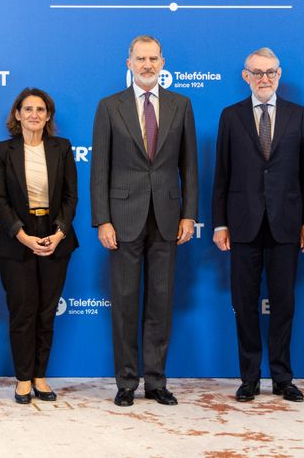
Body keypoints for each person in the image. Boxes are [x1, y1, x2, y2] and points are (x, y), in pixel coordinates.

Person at [90, 35, 198, 407]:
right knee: (123, 303)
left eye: (153, 58)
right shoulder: (109, 106)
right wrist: (102, 220)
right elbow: (99, 169)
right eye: (141, 58)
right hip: (122, 220)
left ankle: (156, 381)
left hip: (168, 218)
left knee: (161, 302)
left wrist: (189, 214)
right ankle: (126, 382)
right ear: (129, 63)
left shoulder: (181, 105)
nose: (147, 64)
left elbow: (190, 167)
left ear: (163, 63)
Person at [211, 47, 304, 403]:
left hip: (286, 225)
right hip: (243, 225)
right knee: (244, 304)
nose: (264, 79)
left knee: (284, 304)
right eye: (257, 72)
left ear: (279, 74)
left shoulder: (298, 115)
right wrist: (219, 223)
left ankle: (283, 377)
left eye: (270, 72)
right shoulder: (230, 116)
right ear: (246, 76)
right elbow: (222, 176)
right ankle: (249, 378)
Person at [0, 88, 79, 404]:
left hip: (54, 236)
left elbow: (71, 197)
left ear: (48, 115)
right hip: (17, 240)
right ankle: (23, 379)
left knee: (46, 313)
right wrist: (21, 235)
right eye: (27, 109)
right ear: (17, 114)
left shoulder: (62, 148)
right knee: (23, 312)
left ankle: (41, 377)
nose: (34, 114)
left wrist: (59, 234)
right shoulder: (3, 151)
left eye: (41, 109)